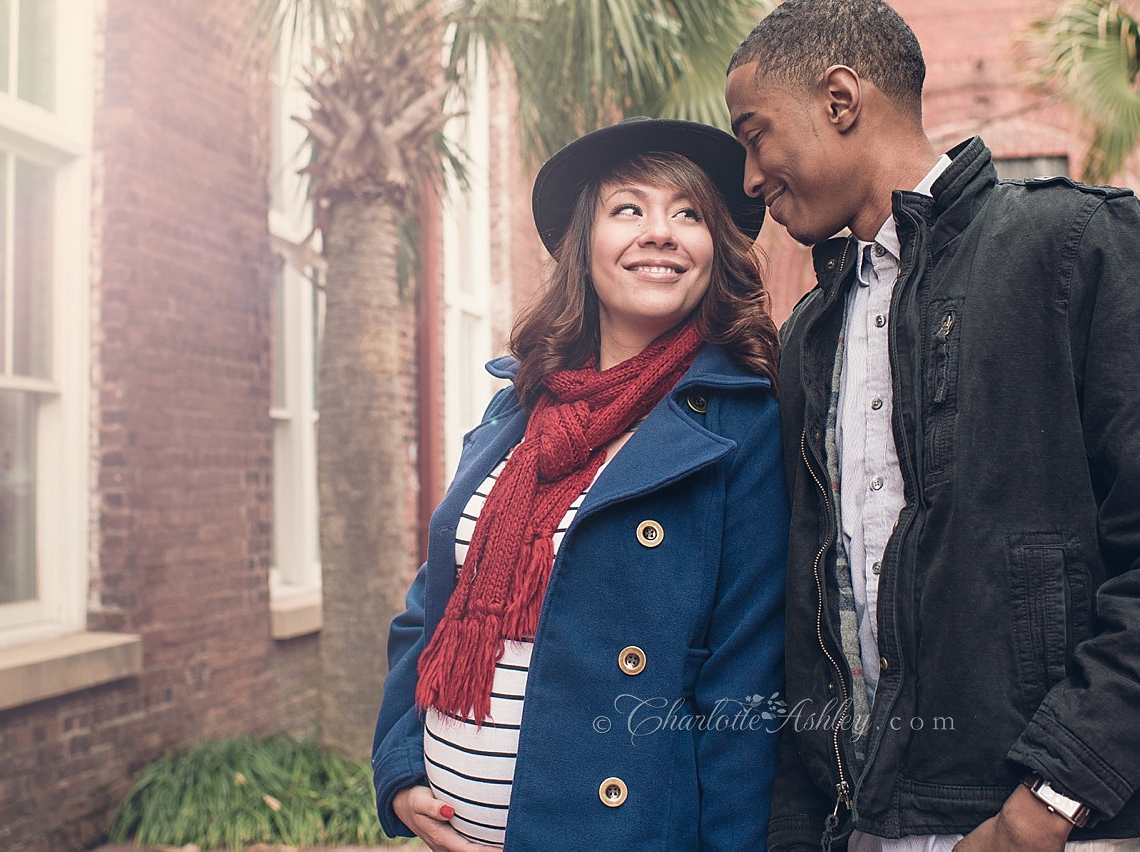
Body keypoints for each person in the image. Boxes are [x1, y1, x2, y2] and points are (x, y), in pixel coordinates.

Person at [722, 2, 1140, 851]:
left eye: (754, 134)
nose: (749, 177)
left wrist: (1052, 797)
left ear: (840, 100)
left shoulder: (1070, 244)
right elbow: (810, 612)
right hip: (865, 828)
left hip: (1051, 823)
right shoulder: (810, 332)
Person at [370, 117, 789, 851]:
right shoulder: (519, 403)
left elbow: (743, 690)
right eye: (628, 208)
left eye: (687, 214)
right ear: (582, 244)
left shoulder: (741, 424)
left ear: (714, 249)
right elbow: (431, 601)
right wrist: (402, 765)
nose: (659, 232)